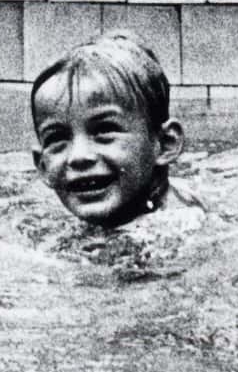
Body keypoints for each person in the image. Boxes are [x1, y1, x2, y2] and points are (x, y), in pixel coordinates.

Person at [29, 31, 186, 231]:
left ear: (165, 144)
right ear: (42, 166)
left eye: (104, 130)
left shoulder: (184, 229)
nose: (79, 156)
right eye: (57, 138)